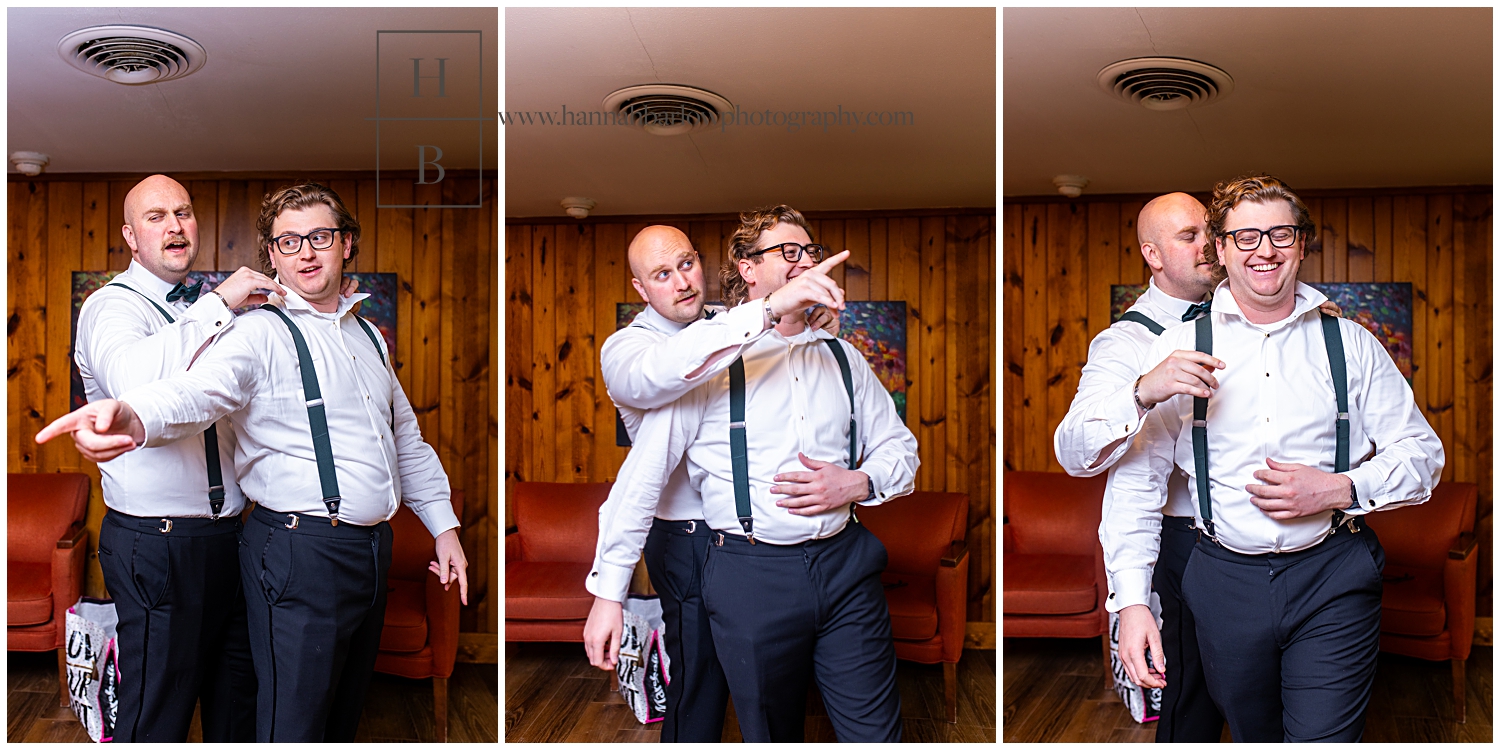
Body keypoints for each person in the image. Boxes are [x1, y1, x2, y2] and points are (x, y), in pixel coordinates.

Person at [39, 182, 468, 742]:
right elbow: (198, 392)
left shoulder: (367, 335)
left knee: (255, 707)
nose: (306, 252)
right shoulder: (245, 326)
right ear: (271, 256)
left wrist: (444, 526)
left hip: (251, 542)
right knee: (194, 714)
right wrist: (130, 418)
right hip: (237, 544)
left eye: (319, 236)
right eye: (289, 242)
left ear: (347, 244)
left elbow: (403, 435)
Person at [1107, 174, 1443, 742]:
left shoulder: (1351, 344)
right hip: (1222, 581)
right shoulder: (1176, 349)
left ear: (1303, 244)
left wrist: (1342, 488)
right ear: (1220, 247)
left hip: (1333, 573)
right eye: (1245, 237)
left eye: (1281, 234)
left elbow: (1422, 455)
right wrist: (1133, 602)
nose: (1265, 250)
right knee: (1253, 734)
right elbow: (1138, 483)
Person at [584, 205, 918, 742]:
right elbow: (640, 478)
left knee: (877, 734)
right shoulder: (697, 362)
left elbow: (900, 450)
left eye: (809, 252)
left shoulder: (843, 357)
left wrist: (858, 482)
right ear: (747, 268)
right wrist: (610, 593)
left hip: (847, 563)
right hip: (746, 568)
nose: (805, 262)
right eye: (788, 253)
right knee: (756, 724)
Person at [73, 174, 287, 742]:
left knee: (237, 704)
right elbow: (133, 384)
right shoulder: (109, 308)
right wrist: (219, 304)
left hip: (229, 539)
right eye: (156, 216)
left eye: (184, 212)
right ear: (130, 235)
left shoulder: (204, 312)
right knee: (157, 712)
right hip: (156, 543)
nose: (174, 225)